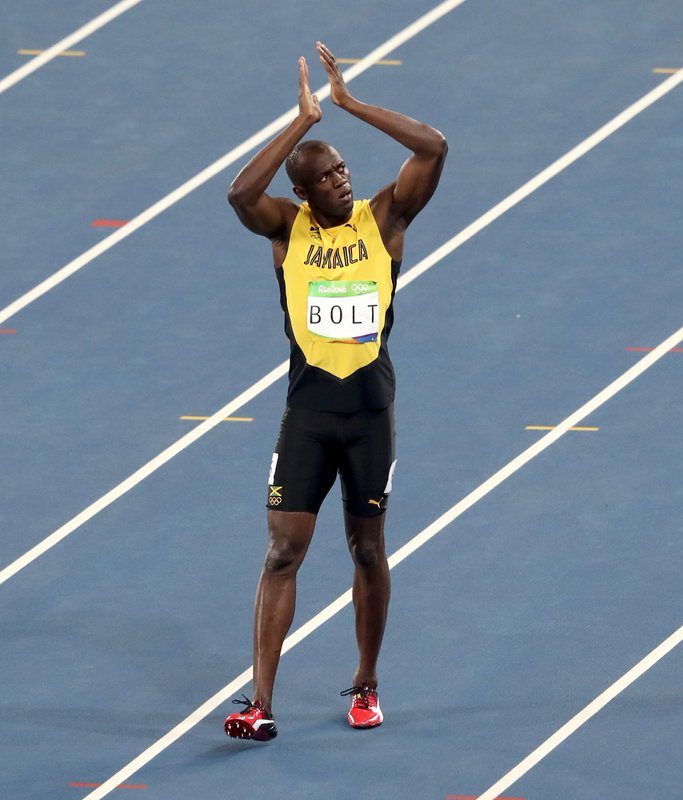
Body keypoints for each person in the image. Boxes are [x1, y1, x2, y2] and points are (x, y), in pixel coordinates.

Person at [222, 41, 447, 741]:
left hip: (369, 415)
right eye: (328, 176)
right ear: (305, 193)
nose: (343, 181)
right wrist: (302, 123)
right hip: (309, 416)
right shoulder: (286, 232)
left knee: (368, 550)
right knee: (283, 551)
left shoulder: (385, 220)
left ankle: (366, 685)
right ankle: (260, 704)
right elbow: (238, 194)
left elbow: (434, 147)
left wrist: (350, 104)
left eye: (345, 169)